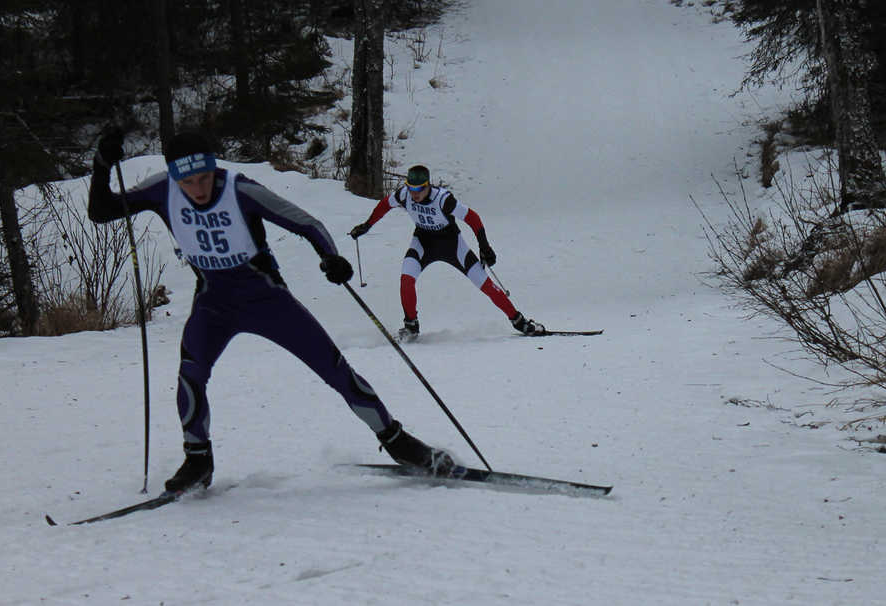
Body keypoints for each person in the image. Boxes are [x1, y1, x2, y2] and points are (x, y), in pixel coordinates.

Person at [88, 129, 454, 493]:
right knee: (190, 376)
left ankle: (398, 442)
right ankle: (198, 459)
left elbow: (306, 223)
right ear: (174, 177)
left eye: (203, 178)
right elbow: (101, 211)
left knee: (335, 370)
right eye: (188, 181)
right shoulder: (160, 190)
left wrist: (330, 256)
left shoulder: (239, 190)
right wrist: (102, 164)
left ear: (214, 169)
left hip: (268, 301)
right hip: (214, 304)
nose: (198, 189)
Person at [349, 165, 544, 340]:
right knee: (406, 279)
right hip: (423, 242)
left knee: (485, 284)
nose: (414, 193)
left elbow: (472, 217)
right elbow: (384, 205)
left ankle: (520, 322)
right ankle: (411, 326)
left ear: (428, 186)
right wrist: (367, 225)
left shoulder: (443, 199)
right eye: (410, 187)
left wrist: (484, 246)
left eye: (419, 189)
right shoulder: (404, 195)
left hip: (452, 244)